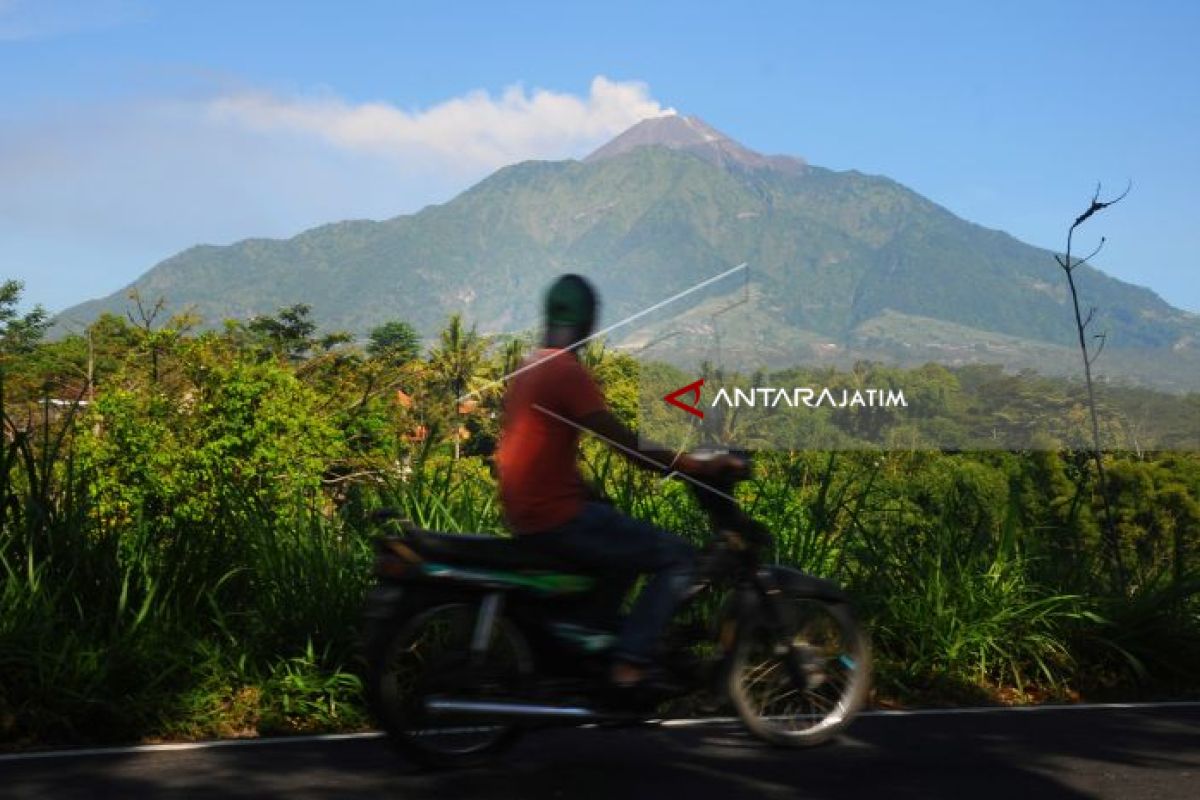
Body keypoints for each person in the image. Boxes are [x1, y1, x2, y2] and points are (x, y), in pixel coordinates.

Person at [494, 274, 734, 689]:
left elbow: (538, 451)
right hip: (556, 517)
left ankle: (594, 643)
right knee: (677, 557)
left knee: (615, 533)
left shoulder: (528, 367)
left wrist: (589, 491)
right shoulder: (566, 370)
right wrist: (689, 465)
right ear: (588, 323)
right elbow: (623, 443)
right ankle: (631, 662)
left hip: (528, 512)